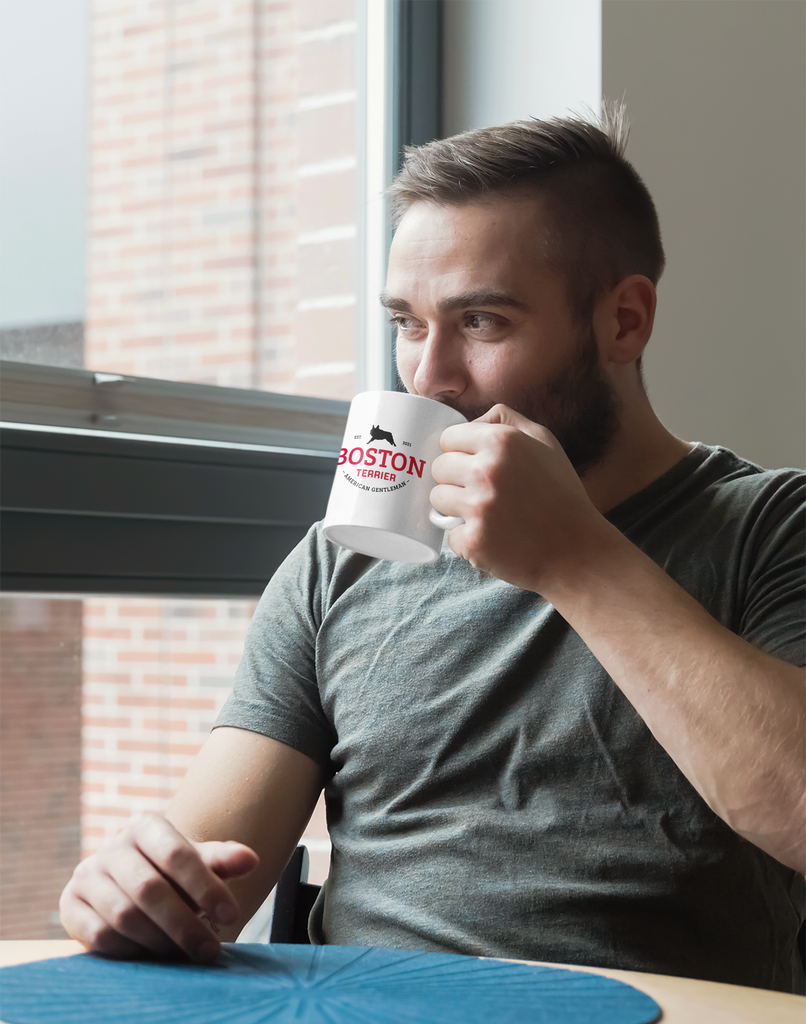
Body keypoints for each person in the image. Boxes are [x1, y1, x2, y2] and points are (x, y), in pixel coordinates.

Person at [59, 107, 806, 993]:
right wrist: (140, 889)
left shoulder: (771, 526)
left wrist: (577, 559)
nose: (427, 375)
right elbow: (213, 860)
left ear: (625, 322)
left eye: (481, 322)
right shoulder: (341, 560)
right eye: (408, 323)